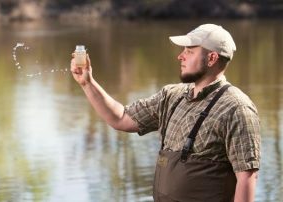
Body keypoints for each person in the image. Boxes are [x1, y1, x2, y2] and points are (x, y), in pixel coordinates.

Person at [70, 24, 260, 202]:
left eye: (189, 51)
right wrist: (88, 83)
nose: (180, 56)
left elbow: (247, 178)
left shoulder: (237, 108)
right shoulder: (171, 96)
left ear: (211, 58)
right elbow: (121, 118)